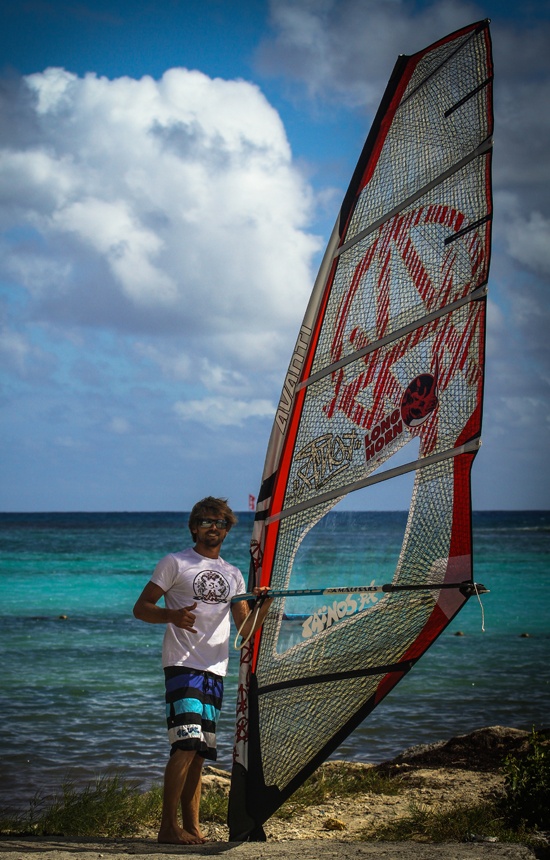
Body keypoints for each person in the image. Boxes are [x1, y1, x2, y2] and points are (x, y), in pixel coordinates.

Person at [133, 497, 271, 845]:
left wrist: (264, 606)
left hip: (215, 670)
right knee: (185, 744)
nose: (214, 527)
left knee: (199, 752)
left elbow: (245, 631)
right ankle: (167, 827)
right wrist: (171, 615)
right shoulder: (175, 563)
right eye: (207, 521)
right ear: (194, 526)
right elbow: (141, 608)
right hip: (183, 664)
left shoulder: (233, 574)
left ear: (227, 530)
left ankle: (191, 827)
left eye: (220, 523)